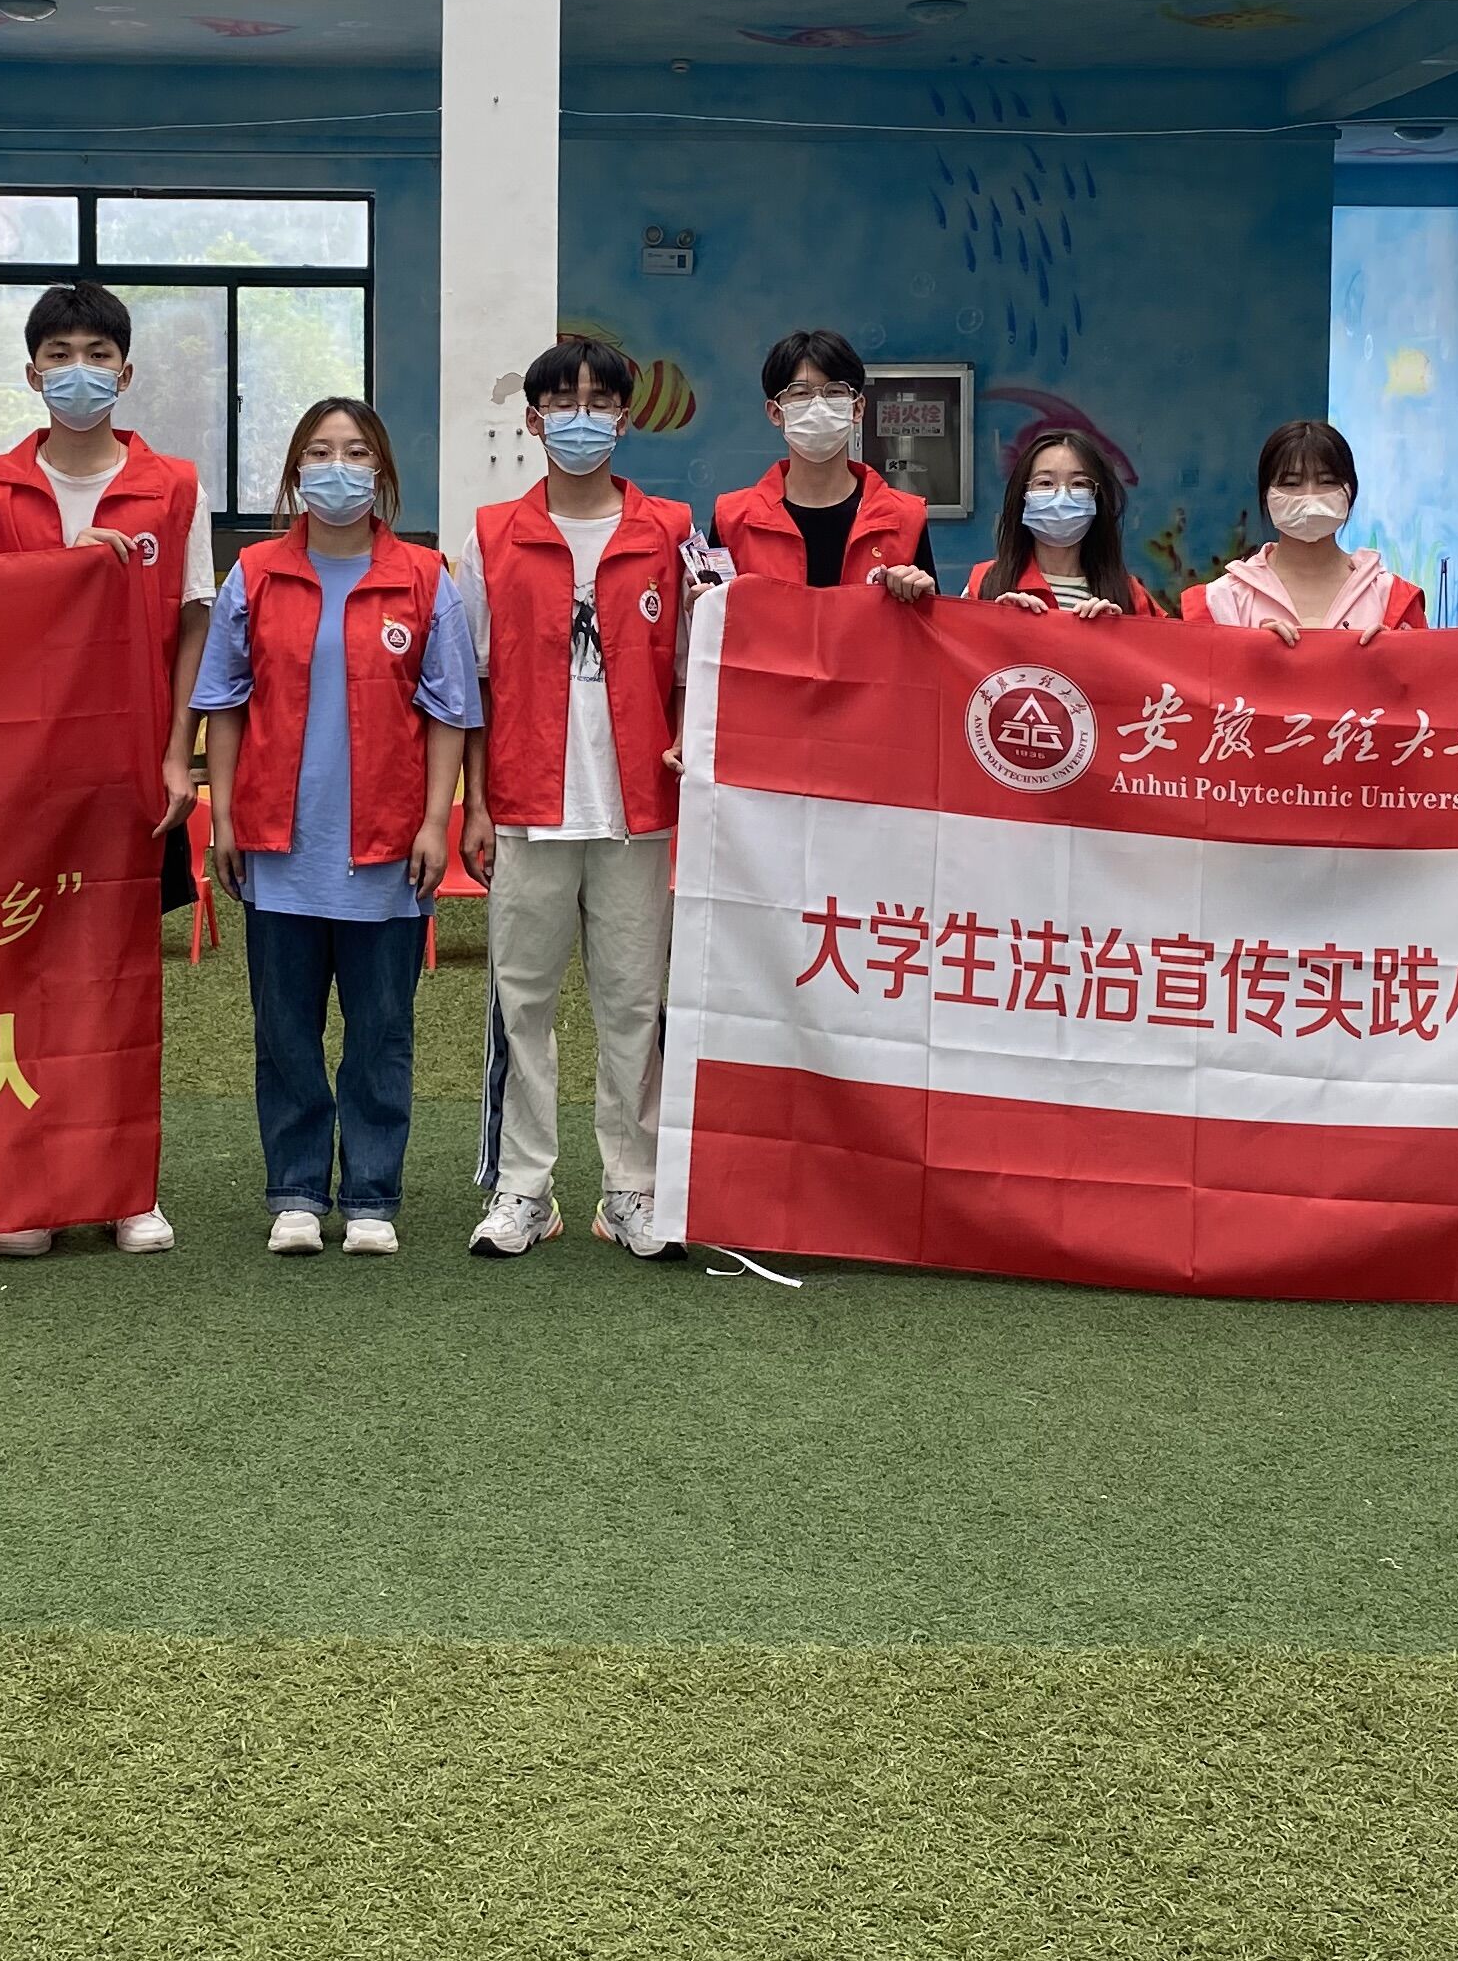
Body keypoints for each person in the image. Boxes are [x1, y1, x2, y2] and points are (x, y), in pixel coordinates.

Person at [0, 280, 211, 1257]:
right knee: (18, 974)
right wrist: (62, 567)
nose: (79, 372)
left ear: (126, 373)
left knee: (116, 978)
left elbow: (194, 626)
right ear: (31, 373)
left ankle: (122, 1185)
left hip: (129, 773)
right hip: (17, 777)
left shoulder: (174, 488)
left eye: (97, 355)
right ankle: (29, 1188)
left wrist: (176, 754)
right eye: (59, 355)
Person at [195, 399, 479, 1258]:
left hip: (388, 850)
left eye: (356, 452)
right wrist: (226, 816)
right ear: (294, 472)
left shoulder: (425, 579)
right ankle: (295, 1190)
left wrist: (435, 822)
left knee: (380, 1031)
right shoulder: (254, 576)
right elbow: (224, 703)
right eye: (319, 452)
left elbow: (449, 712)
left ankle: (369, 1195)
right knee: (285, 1030)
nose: (337, 468)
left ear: (381, 470)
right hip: (279, 845)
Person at [461, 336, 695, 1262]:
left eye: (600, 402)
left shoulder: (672, 531)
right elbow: (471, 686)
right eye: (564, 403)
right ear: (533, 419)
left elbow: (698, 667)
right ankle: (524, 1187)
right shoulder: (491, 535)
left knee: (634, 1004)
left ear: (625, 419)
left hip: (639, 806)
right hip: (527, 802)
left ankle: (631, 1186)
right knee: (521, 1003)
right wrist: (478, 805)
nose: (582, 418)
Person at [709, 328, 937, 598]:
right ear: (775, 412)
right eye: (800, 393)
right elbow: (716, 616)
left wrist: (926, 599)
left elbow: (930, 620)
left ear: (857, 408)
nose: (818, 405)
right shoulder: (732, 520)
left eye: (834, 391)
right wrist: (698, 604)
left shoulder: (905, 517)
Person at [1188, 420, 1428, 642]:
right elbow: (1196, 673)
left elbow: (1425, 673)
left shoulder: (1392, 600)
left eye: (1327, 481)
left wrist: (1393, 658)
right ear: (1266, 496)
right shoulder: (1221, 602)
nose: (1309, 496)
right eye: (1291, 483)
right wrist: (1246, 656)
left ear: (1351, 491)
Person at [963, 423, 1156, 618]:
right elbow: (955, 635)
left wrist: (1119, 630)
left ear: (1097, 497)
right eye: (1045, 483)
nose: (1062, 496)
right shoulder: (985, 582)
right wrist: (1000, 623)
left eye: (1079, 483)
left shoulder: (1131, 595)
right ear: (1023, 495)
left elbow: (1164, 637)